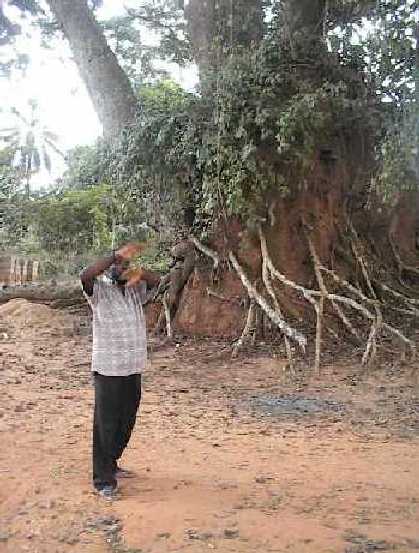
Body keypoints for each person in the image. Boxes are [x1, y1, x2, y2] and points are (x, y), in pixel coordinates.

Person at [80, 243, 160, 500]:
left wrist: (137, 272)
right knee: (105, 423)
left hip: (133, 366)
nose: (120, 270)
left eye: (124, 267)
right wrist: (115, 256)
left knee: (127, 419)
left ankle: (112, 462)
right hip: (108, 367)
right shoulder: (99, 291)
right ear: (109, 268)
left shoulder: (137, 292)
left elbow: (158, 280)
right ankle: (103, 480)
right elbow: (85, 275)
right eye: (116, 266)